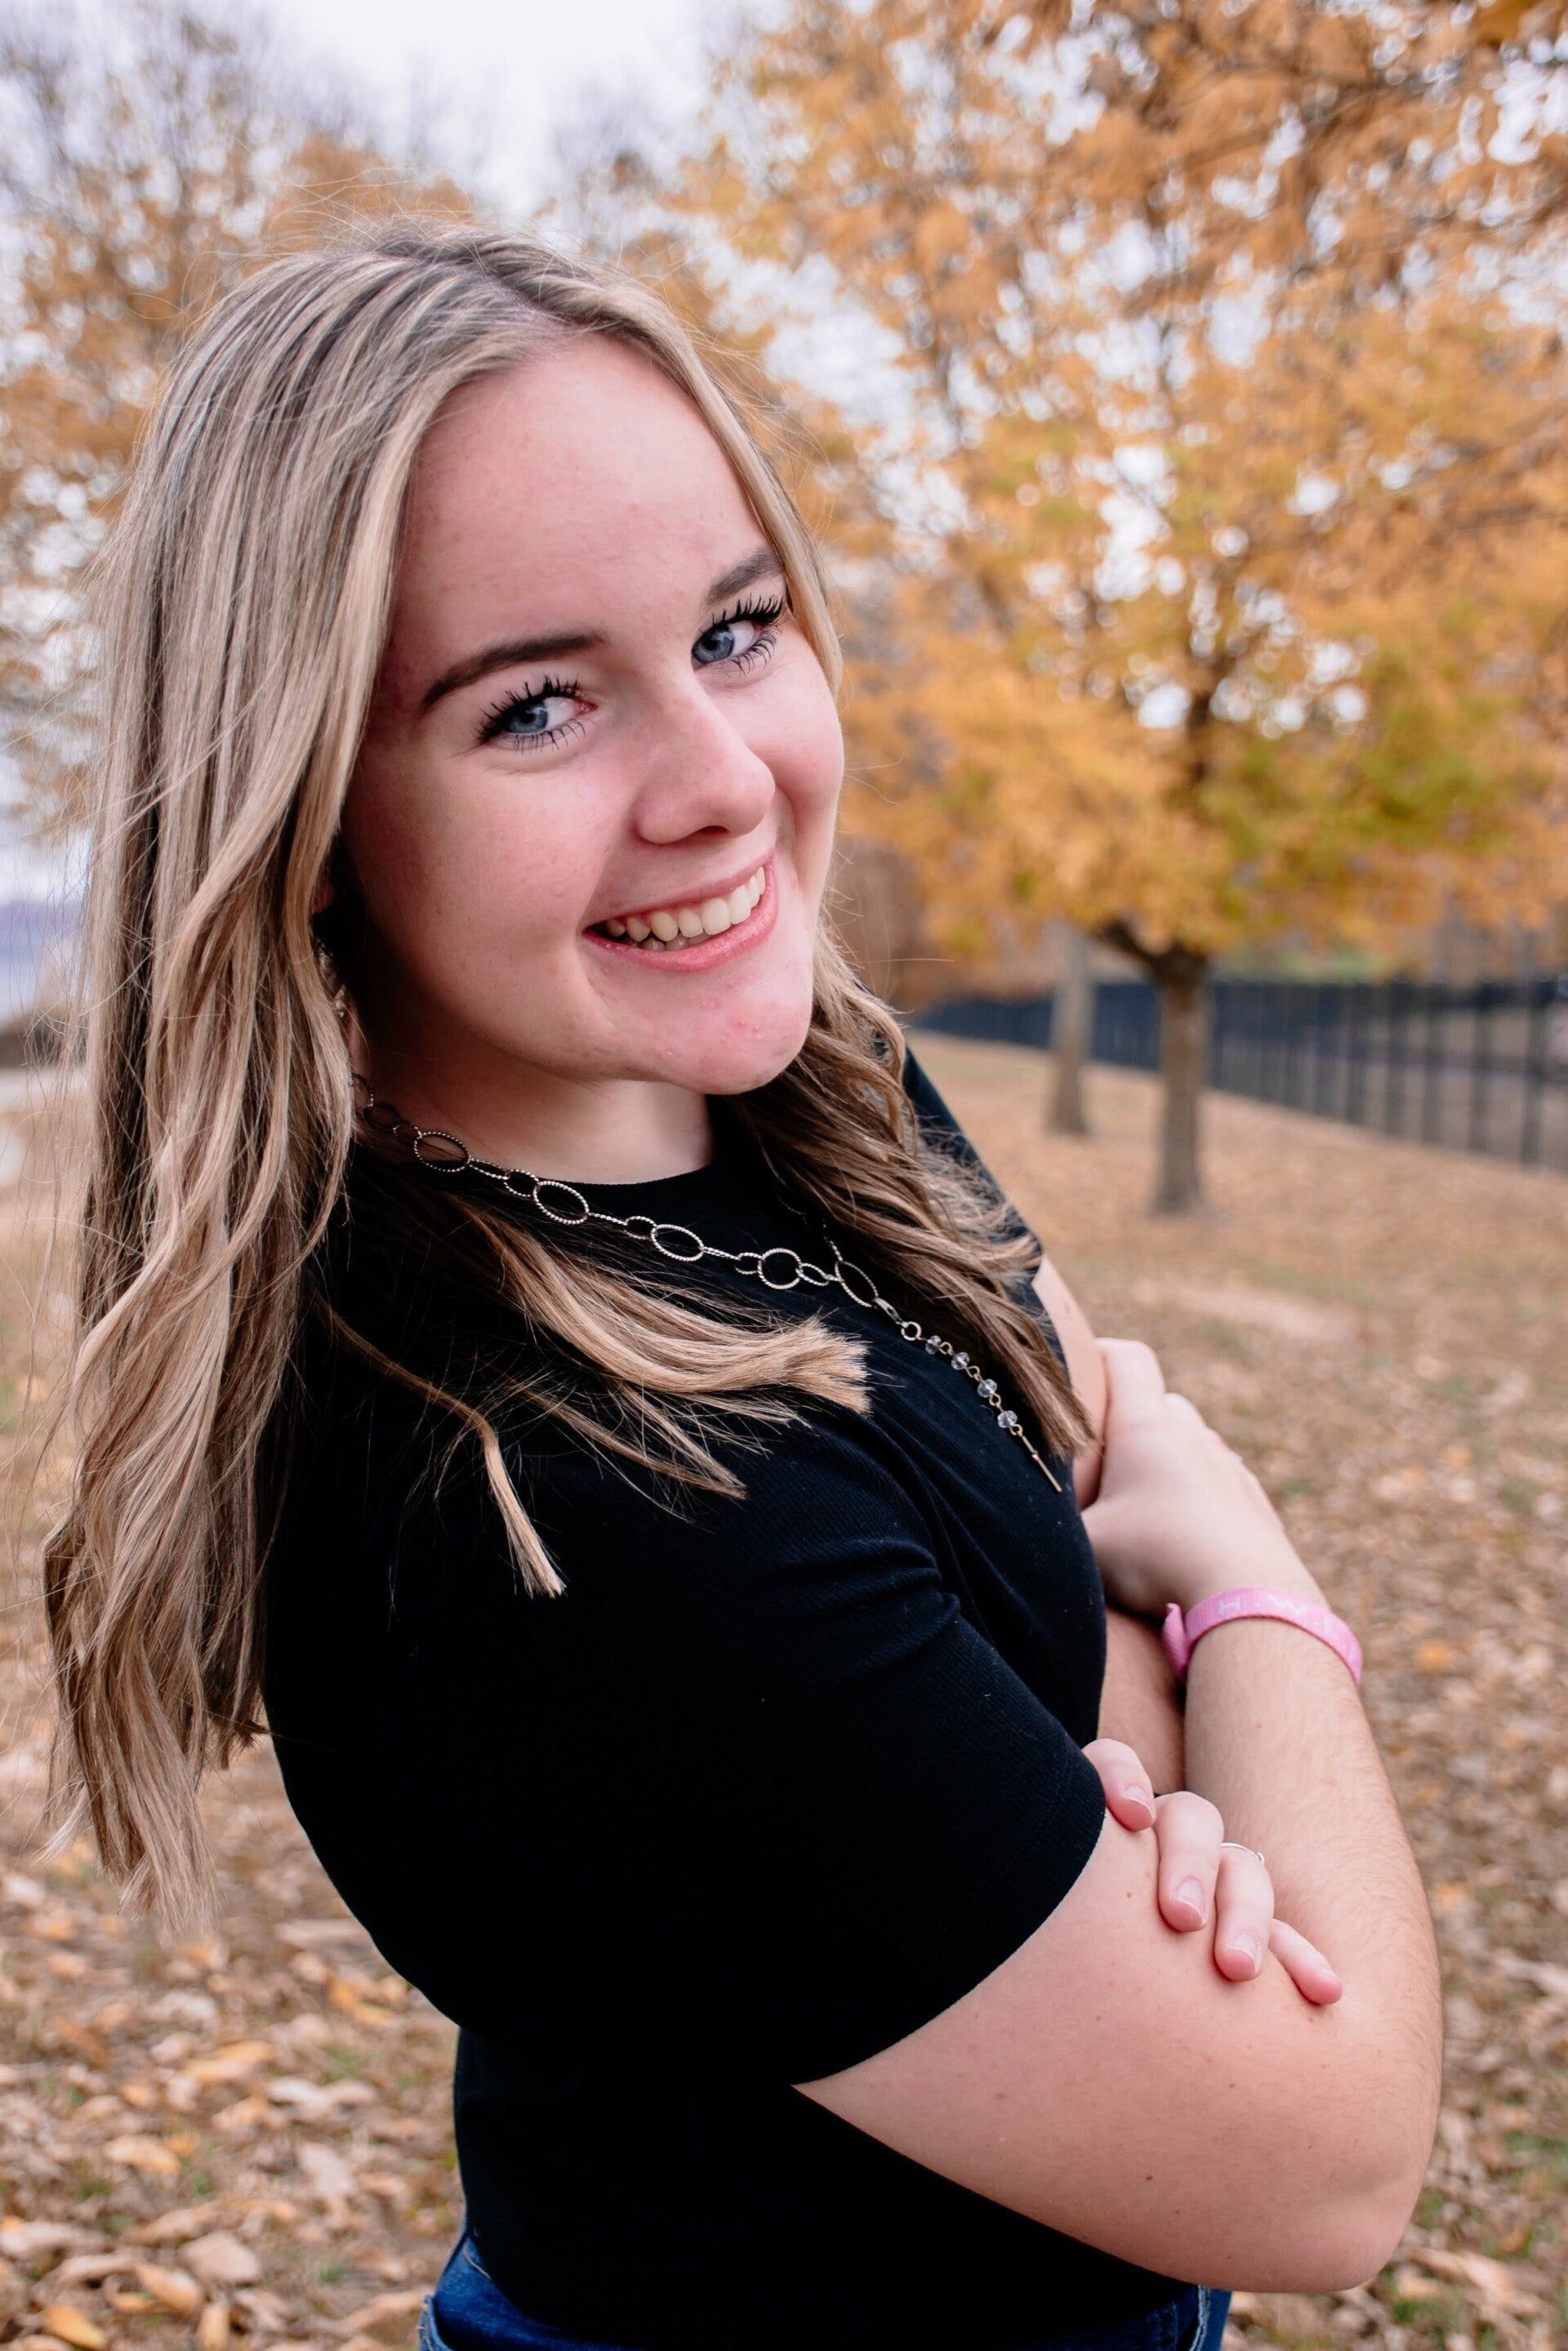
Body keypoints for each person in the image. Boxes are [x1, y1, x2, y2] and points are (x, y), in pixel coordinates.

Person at [38, 221, 1443, 2351]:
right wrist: (1241, 1587)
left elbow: (1083, 1419)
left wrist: (1071, 1700)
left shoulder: (808, 1092)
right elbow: (1329, 2156)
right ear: (309, 805)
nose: (720, 785)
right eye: (535, 704)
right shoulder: (550, 1501)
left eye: (737, 628)